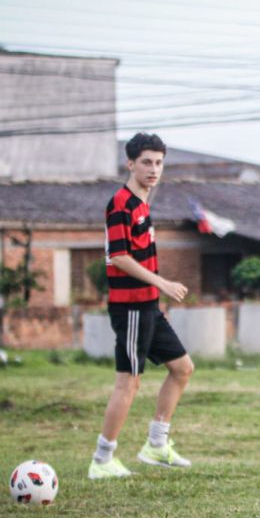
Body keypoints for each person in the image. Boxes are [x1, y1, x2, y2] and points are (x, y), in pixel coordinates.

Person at [88, 132, 195, 480]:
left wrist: (157, 292)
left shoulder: (142, 204)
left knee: (182, 368)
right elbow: (119, 257)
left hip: (149, 306)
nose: (154, 169)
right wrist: (162, 283)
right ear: (130, 164)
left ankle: (156, 444)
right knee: (129, 383)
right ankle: (102, 459)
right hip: (131, 308)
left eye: (159, 163)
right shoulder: (120, 203)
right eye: (146, 162)